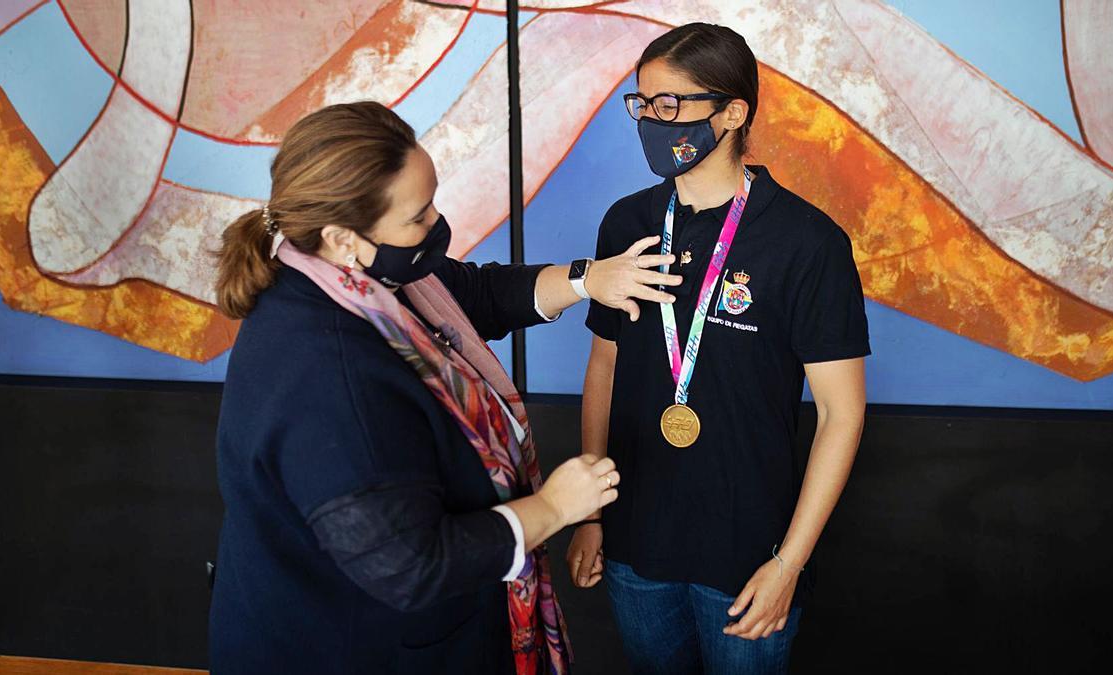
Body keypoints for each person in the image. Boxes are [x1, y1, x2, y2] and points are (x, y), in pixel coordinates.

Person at [208, 101, 682, 674]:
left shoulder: (357, 277)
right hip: (352, 646)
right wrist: (555, 507)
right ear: (342, 237)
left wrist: (587, 280)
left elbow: (473, 296)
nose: (436, 223)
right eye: (417, 215)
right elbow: (412, 564)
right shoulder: (329, 376)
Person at [566, 23, 870, 674]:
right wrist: (587, 513)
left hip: (748, 555)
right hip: (634, 547)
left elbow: (841, 415)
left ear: (734, 112)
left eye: (670, 105)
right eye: (642, 104)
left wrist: (790, 562)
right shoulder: (628, 223)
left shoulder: (808, 243)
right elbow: (605, 365)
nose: (651, 119)